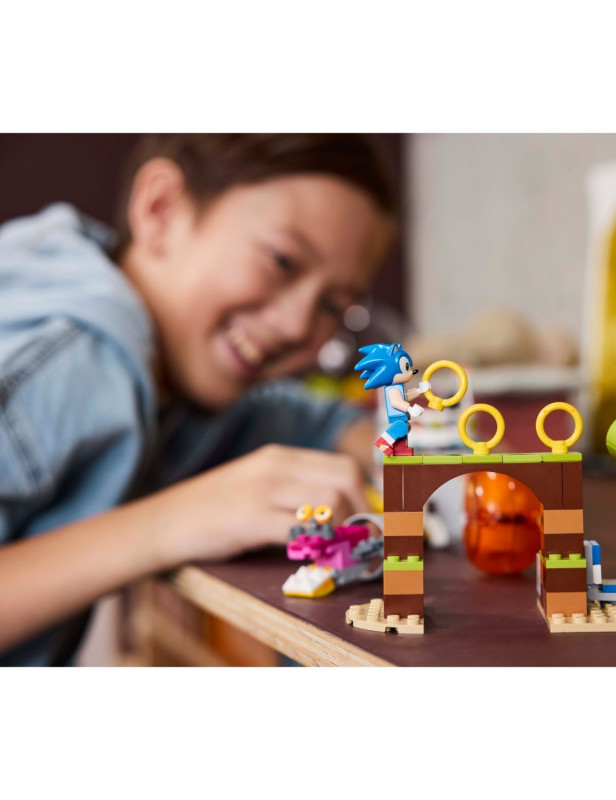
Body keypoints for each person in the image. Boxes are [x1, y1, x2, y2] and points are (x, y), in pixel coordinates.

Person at [0, 134, 397, 665]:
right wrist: (172, 522)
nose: (298, 326)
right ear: (161, 211)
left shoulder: (173, 370)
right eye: (282, 261)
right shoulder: (75, 362)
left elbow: (277, 414)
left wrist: (371, 438)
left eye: (332, 305)